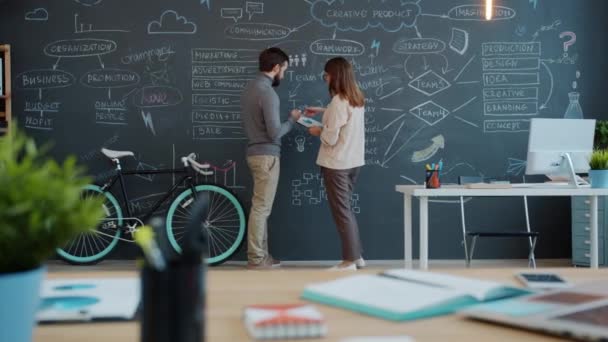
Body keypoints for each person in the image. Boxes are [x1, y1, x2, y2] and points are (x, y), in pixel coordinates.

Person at [241, 47, 301, 270]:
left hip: (255, 153)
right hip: (267, 156)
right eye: (284, 69)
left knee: (260, 207)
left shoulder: (249, 89)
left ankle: (262, 255)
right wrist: (293, 120)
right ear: (276, 67)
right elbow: (275, 132)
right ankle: (256, 258)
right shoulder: (267, 93)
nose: (283, 74)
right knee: (261, 209)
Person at [305, 57, 366, 271]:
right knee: (346, 210)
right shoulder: (356, 98)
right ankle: (356, 257)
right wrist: (323, 111)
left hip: (337, 164)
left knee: (341, 212)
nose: (325, 79)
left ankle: (349, 260)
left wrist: (317, 130)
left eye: (326, 75)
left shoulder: (338, 102)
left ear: (335, 76)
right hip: (353, 162)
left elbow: (330, 138)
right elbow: (342, 119)